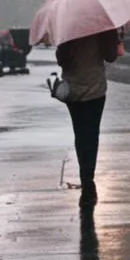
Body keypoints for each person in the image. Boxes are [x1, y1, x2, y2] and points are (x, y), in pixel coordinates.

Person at [55, 28, 119, 207]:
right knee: (92, 134)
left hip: (73, 90)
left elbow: (61, 60)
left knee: (80, 132)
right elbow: (111, 56)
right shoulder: (104, 27)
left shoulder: (68, 29)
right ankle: (88, 180)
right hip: (95, 89)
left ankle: (86, 178)